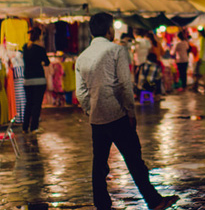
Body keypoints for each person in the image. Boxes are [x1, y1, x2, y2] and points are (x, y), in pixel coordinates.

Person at [75, 13, 179, 210]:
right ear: (108, 30)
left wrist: (91, 110)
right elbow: (124, 84)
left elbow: (80, 93)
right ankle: (154, 200)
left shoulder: (82, 58)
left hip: (97, 119)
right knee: (134, 160)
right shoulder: (117, 50)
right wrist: (130, 112)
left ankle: (102, 205)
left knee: (99, 166)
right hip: (117, 115)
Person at [22, 26, 50, 133]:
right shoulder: (40, 49)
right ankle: (34, 127)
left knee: (28, 103)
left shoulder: (25, 47)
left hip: (27, 79)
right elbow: (47, 62)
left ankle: (25, 127)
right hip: (38, 79)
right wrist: (41, 62)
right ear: (40, 36)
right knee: (37, 104)